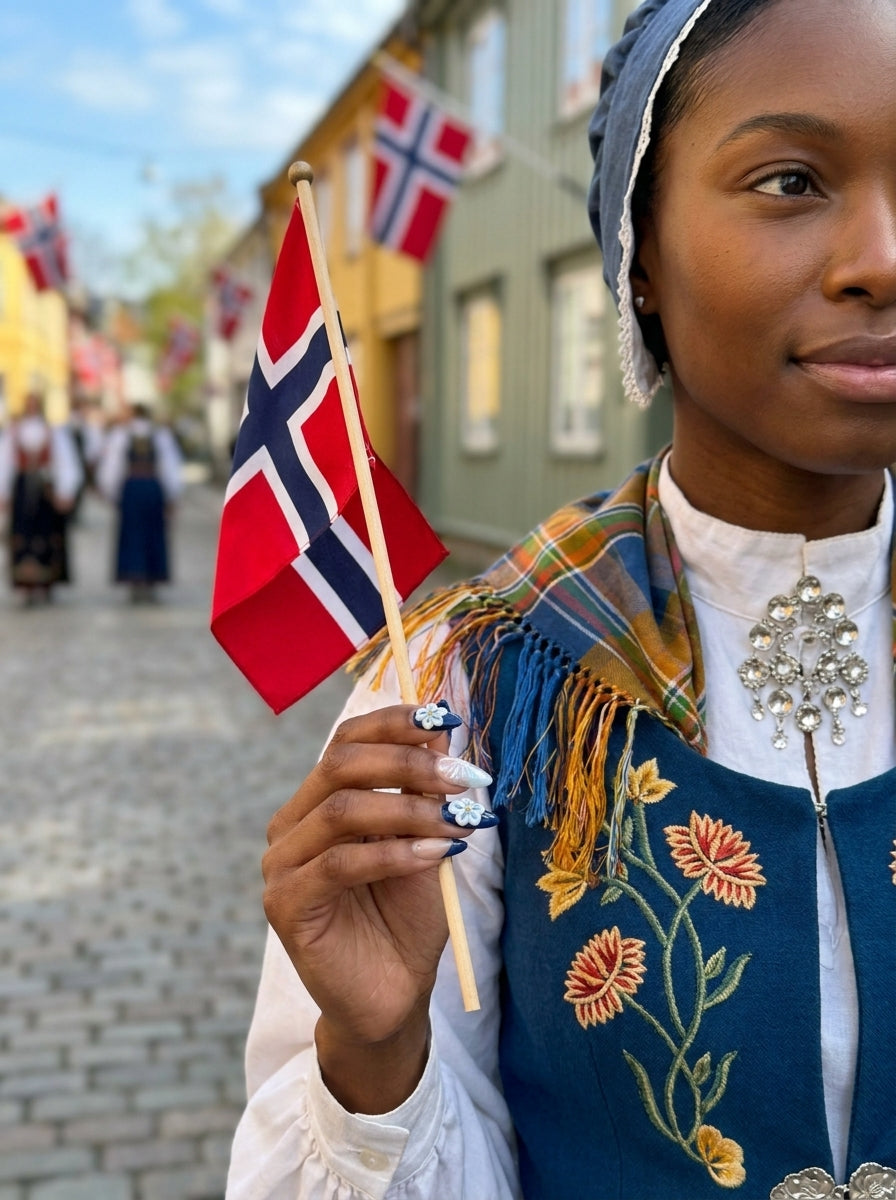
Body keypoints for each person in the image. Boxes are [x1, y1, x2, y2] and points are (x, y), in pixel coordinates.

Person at [226, 1, 896, 1197]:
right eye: (791, 180)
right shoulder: (475, 684)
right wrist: (377, 1055)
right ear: (638, 255)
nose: (881, 259)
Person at [0, 392, 82, 605]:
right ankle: (25, 584)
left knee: (47, 535)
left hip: (46, 490)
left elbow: (66, 463)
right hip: (22, 489)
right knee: (22, 536)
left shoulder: (54, 433)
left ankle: (46, 582)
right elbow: (5, 464)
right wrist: (3, 493)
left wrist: (66, 491)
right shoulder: (14, 432)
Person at [96, 402, 183, 603]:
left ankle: (134, 578)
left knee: (132, 534)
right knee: (153, 533)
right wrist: (172, 495)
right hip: (153, 488)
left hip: (132, 489)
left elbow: (112, 468)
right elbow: (170, 467)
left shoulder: (121, 435)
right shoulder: (161, 435)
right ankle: (151, 579)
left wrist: (112, 494)